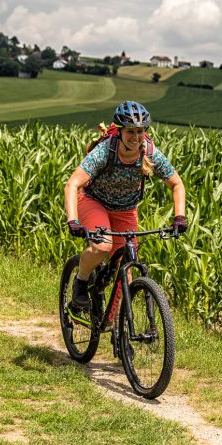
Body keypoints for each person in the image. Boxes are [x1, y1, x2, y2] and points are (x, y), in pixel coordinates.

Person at [63, 100, 186, 310]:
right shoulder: (105, 151)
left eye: (140, 131)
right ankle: (81, 281)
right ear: (120, 131)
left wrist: (180, 217)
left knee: (126, 271)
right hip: (94, 202)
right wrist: (73, 221)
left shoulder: (149, 152)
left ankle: (117, 332)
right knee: (102, 246)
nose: (136, 137)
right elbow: (72, 184)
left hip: (126, 210)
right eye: (131, 131)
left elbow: (176, 184)